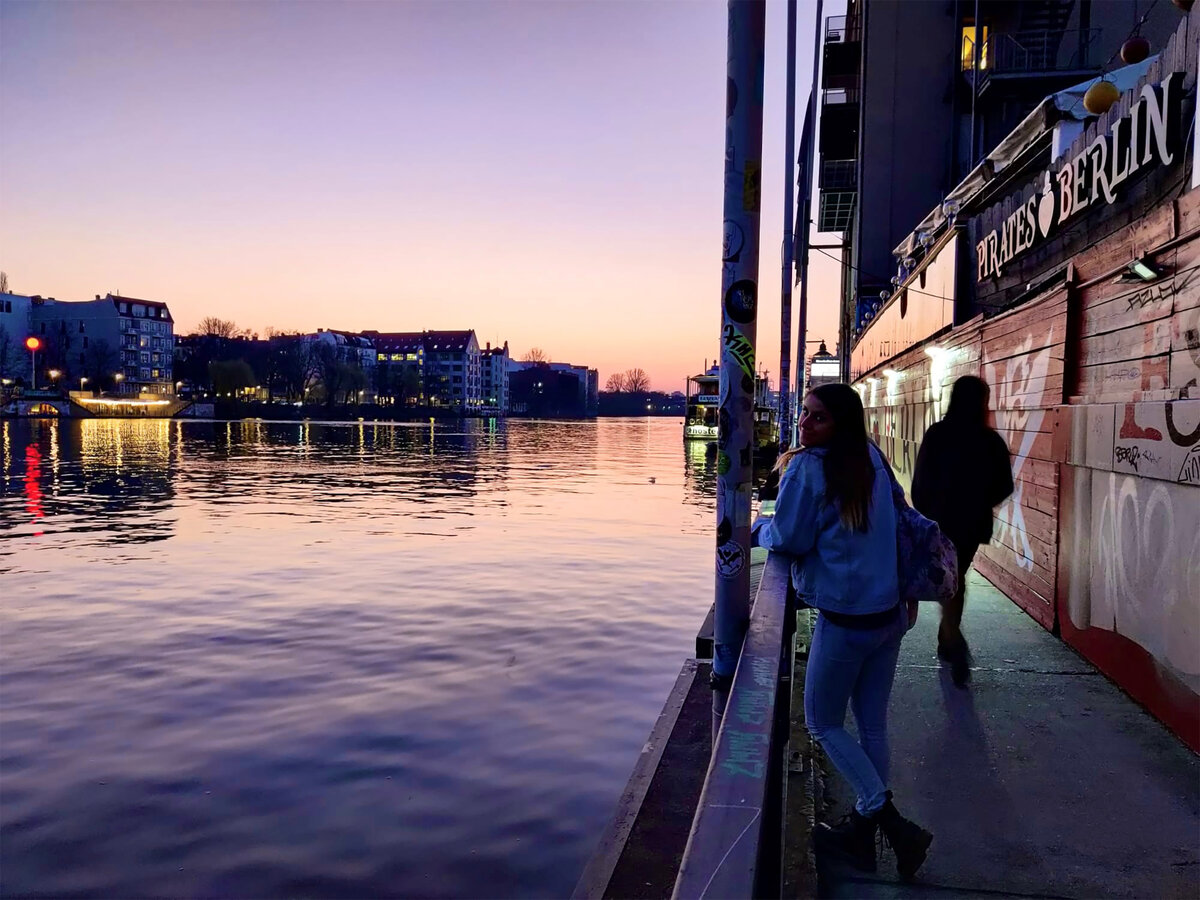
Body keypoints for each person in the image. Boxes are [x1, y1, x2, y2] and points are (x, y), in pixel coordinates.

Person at [760, 383, 932, 880]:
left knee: (823, 724)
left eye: (818, 418)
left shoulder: (810, 468)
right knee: (872, 725)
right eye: (805, 415)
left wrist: (760, 529)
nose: (804, 424)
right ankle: (862, 832)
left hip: (847, 619)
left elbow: (790, 537)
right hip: (887, 615)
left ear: (841, 423)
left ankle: (894, 825)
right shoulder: (872, 459)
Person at [911, 375, 1014, 687]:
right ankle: (949, 637)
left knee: (948, 576)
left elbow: (920, 484)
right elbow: (1005, 486)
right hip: (972, 524)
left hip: (940, 522)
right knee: (958, 576)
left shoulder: (938, 434)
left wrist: (928, 513)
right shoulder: (990, 441)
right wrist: (980, 503)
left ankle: (952, 638)